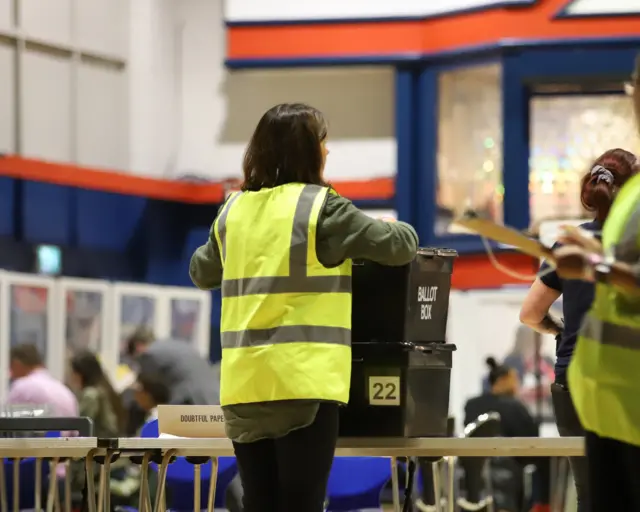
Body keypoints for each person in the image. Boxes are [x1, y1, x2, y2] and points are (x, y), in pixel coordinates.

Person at [189, 103, 418, 512]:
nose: (328, 151)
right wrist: (381, 226)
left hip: (244, 388)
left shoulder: (232, 212)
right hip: (300, 385)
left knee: (260, 503)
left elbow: (200, 270)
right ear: (310, 150)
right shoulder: (321, 209)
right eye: (323, 142)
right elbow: (402, 246)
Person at [520, 148, 639, 512]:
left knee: (589, 493)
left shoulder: (570, 244)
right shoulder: (630, 243)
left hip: (573, 382)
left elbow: (530, 313)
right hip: (626, 381)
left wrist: (559, 333)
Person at [464, 358, 549, 512]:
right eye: (514, 380)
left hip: (472, 482)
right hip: (509, 481)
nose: (517, 385)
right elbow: (532, 443)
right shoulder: (513, 407)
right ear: (502, 380)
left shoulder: (472, 405)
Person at [127, 327, 220, 406]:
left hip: (190, 398)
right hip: (214, 396)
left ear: (138, 346)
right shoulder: (174, 345)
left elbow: (148, 389)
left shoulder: (149, 354)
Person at [7, 343, 78, 417]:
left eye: (11, 368)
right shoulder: (62, 389)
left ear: (17, 364)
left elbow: (6, 423)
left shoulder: (22, 387)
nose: (10, 374)